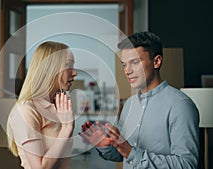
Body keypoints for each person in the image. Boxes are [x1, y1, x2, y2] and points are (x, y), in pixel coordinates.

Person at [79, 31, 200, 169]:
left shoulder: (180, 105)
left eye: (135, 62)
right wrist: (104, 146)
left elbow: (187, 164)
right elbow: (122, 154)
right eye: (124, 64)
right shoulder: (129, 104)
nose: (127, 71)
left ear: (156, 62)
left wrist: (132, 153)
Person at [7, 41, 77, 169]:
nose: (74, 73)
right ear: (50, 68)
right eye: (68, 65)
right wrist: (66, 129)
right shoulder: (26, 110)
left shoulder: (59, 108)